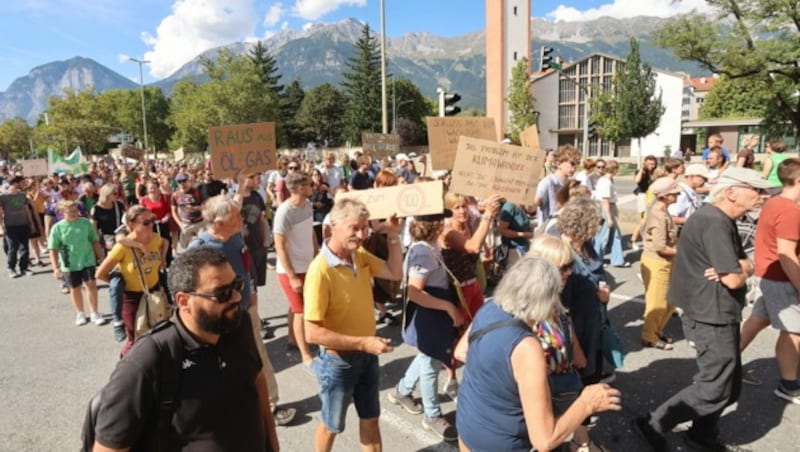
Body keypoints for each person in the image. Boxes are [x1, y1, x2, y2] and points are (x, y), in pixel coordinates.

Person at [634, 167, 772, 452]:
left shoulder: (719, 218)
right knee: (714, 387)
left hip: (718, 311)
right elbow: (734, 276)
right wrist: (743, 268)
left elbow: (740, 265)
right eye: (756, 190)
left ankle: (702, 435)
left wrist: (741, 266)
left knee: (728, 386)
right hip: (711, 314)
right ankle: (654, 422)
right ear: (731, 192)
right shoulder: (714, 222)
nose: (762, 195)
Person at [91, 247, 279, 452]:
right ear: (184, 301)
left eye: (237, 285)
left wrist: (273, 446)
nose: (235, 297)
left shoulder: (237, 323)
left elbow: (256, 380)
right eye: (222, 293)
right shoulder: (147, 361)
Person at [454, 256, 621, 452]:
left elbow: (461, 352)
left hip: (468, 428)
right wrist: (587, 402)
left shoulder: (489, 308)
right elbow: (544, 440)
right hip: (503, 443)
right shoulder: (526, 347)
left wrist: (506, 381)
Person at [303, 198, 404, 452]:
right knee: (332, 425)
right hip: (339, 363)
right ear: (333, 226)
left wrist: (393, 234)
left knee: (371, 420)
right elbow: (312, 332)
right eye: (354, 228)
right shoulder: (320, 270)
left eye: (364, 228)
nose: (361, 235)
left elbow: (394, 272)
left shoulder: (358, 255)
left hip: (367, 355)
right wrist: (363, 342)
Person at [189, 193, 297, 427]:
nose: (242, 219)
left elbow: (246, 267)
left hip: (246, 311)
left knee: (258, 357)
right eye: (236, 216)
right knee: (221, 366)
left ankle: (271, 405)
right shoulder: (199, 249)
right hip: (218, 319)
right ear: (219, 223)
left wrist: (253, 294)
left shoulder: (236, 237)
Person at [389, 210, 463, 442]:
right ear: (434, 225)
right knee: (431, 362)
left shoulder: (428, 246)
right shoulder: (423, 252)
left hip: (434, 312)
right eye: (443, 220)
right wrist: (449, 308)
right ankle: (432, 415)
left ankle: (402, 391)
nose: (447, 222)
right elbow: (414, 292)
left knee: (426, 356)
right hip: (430, 314)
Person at [527, 235, 602, 452]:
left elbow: (564, 320)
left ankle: (579, 441)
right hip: (540, 388)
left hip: (561, 378)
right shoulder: (526, 306)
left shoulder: (552, 295)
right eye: (563, 267)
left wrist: (576, 350)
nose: (569, 272)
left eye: (570, 265)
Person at [740, 158, 800, 403]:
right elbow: (786, 256)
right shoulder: (790, 211)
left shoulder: (775, 202)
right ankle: (788, 385)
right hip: (780, 278)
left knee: (758, 320)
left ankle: (725, 362)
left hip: (767, 274)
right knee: (793, 331)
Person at [96, 205, 168, 357]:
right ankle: (127, 366)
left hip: (154, 292)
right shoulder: (122, 247)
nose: (151, 224)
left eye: (152, 220)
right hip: (132, 299)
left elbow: (165, 242)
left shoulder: (155, 238)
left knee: (157, 332)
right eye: (146, 222)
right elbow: (100, 273)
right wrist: (118, 285)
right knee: (134, 338)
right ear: (132, 225)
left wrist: (162, 259)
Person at [274, 171, 318, 367]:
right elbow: (279, 246)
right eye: (310, 184)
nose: (313, 187)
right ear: (301, 188)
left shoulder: (307, 205)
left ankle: (293, 339)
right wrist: (292, 276)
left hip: (308, 266)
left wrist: (317, 255)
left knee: (296, 307)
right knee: (301, 311)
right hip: (290, 270)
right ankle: (305, 353)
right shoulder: (284, 212)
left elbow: (310, 233)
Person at [47, 200, 106, 326]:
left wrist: (101, 258)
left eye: (76, 211)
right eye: (70, 212)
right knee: (75, 288)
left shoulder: (85, 223)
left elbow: (95, 241)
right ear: (62, 213)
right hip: (69, 263)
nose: (74, 213)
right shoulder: (57, 228)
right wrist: (55, 268)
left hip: (87, 259)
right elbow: (53, 250)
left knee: (91, 284)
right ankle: (80, 313)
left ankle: (95, 312)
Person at [640, 178, 681, 351]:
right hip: (657, 262)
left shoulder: (662, 211)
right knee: (658, 302)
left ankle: (656, 331)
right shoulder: (658, 215)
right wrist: (684, 252)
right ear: (665, 196)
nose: (678, 194)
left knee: (670, 301)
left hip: (666, 261)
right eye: (674, 193)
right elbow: (660, 247)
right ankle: (649, 336)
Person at [533, 144, 581, 226]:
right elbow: (533, 206)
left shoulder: (571, 184)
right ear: (559, 164)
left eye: (577, 163)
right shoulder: (548, 182)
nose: (575, 167)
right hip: (549, 232)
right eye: (572, 163)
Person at [593, 160, 629, 267]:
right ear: (614, 169)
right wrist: (609, 218)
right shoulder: (605, 182)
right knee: (602, 237)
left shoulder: (607, 180)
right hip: (606, 209)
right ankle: (597, 261)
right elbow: (605, 200)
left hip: (610, 208)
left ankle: (617, 260)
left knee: (616, 235)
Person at [0, 175, 37, 278]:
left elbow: (27, 210)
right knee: (13, 248)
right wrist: (1, 227)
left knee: (25, 248)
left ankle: (24, 268)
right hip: (10, 226)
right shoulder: (3, 197)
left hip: (23, 224)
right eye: (22, 182)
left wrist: (32, 223)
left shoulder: (22, 195)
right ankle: (11, 268)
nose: (24, 184)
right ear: (15, 183)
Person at [631, 155, 658, 248]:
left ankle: (649, 239)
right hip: (643, 196)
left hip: (653, 196)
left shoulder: (655, 172)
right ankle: (633, 240)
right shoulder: (641, 172)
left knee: (652, 219)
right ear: (645, 163)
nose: (652, 166)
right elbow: (637, 180)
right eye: (650, 164)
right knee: (643, 219)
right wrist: (642, 169)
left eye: (653, 164)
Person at [170, 173, 204, 250]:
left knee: (204, 245)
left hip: (199, 222)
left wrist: (195, 208)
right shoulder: (175, 195)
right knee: (184, 246)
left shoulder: (197, 192)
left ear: (188, 181)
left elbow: (206, 206)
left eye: (184, 181)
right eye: (179, 182)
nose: (182, 183)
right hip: (185, 223)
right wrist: (180, 224)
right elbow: (173, 211)